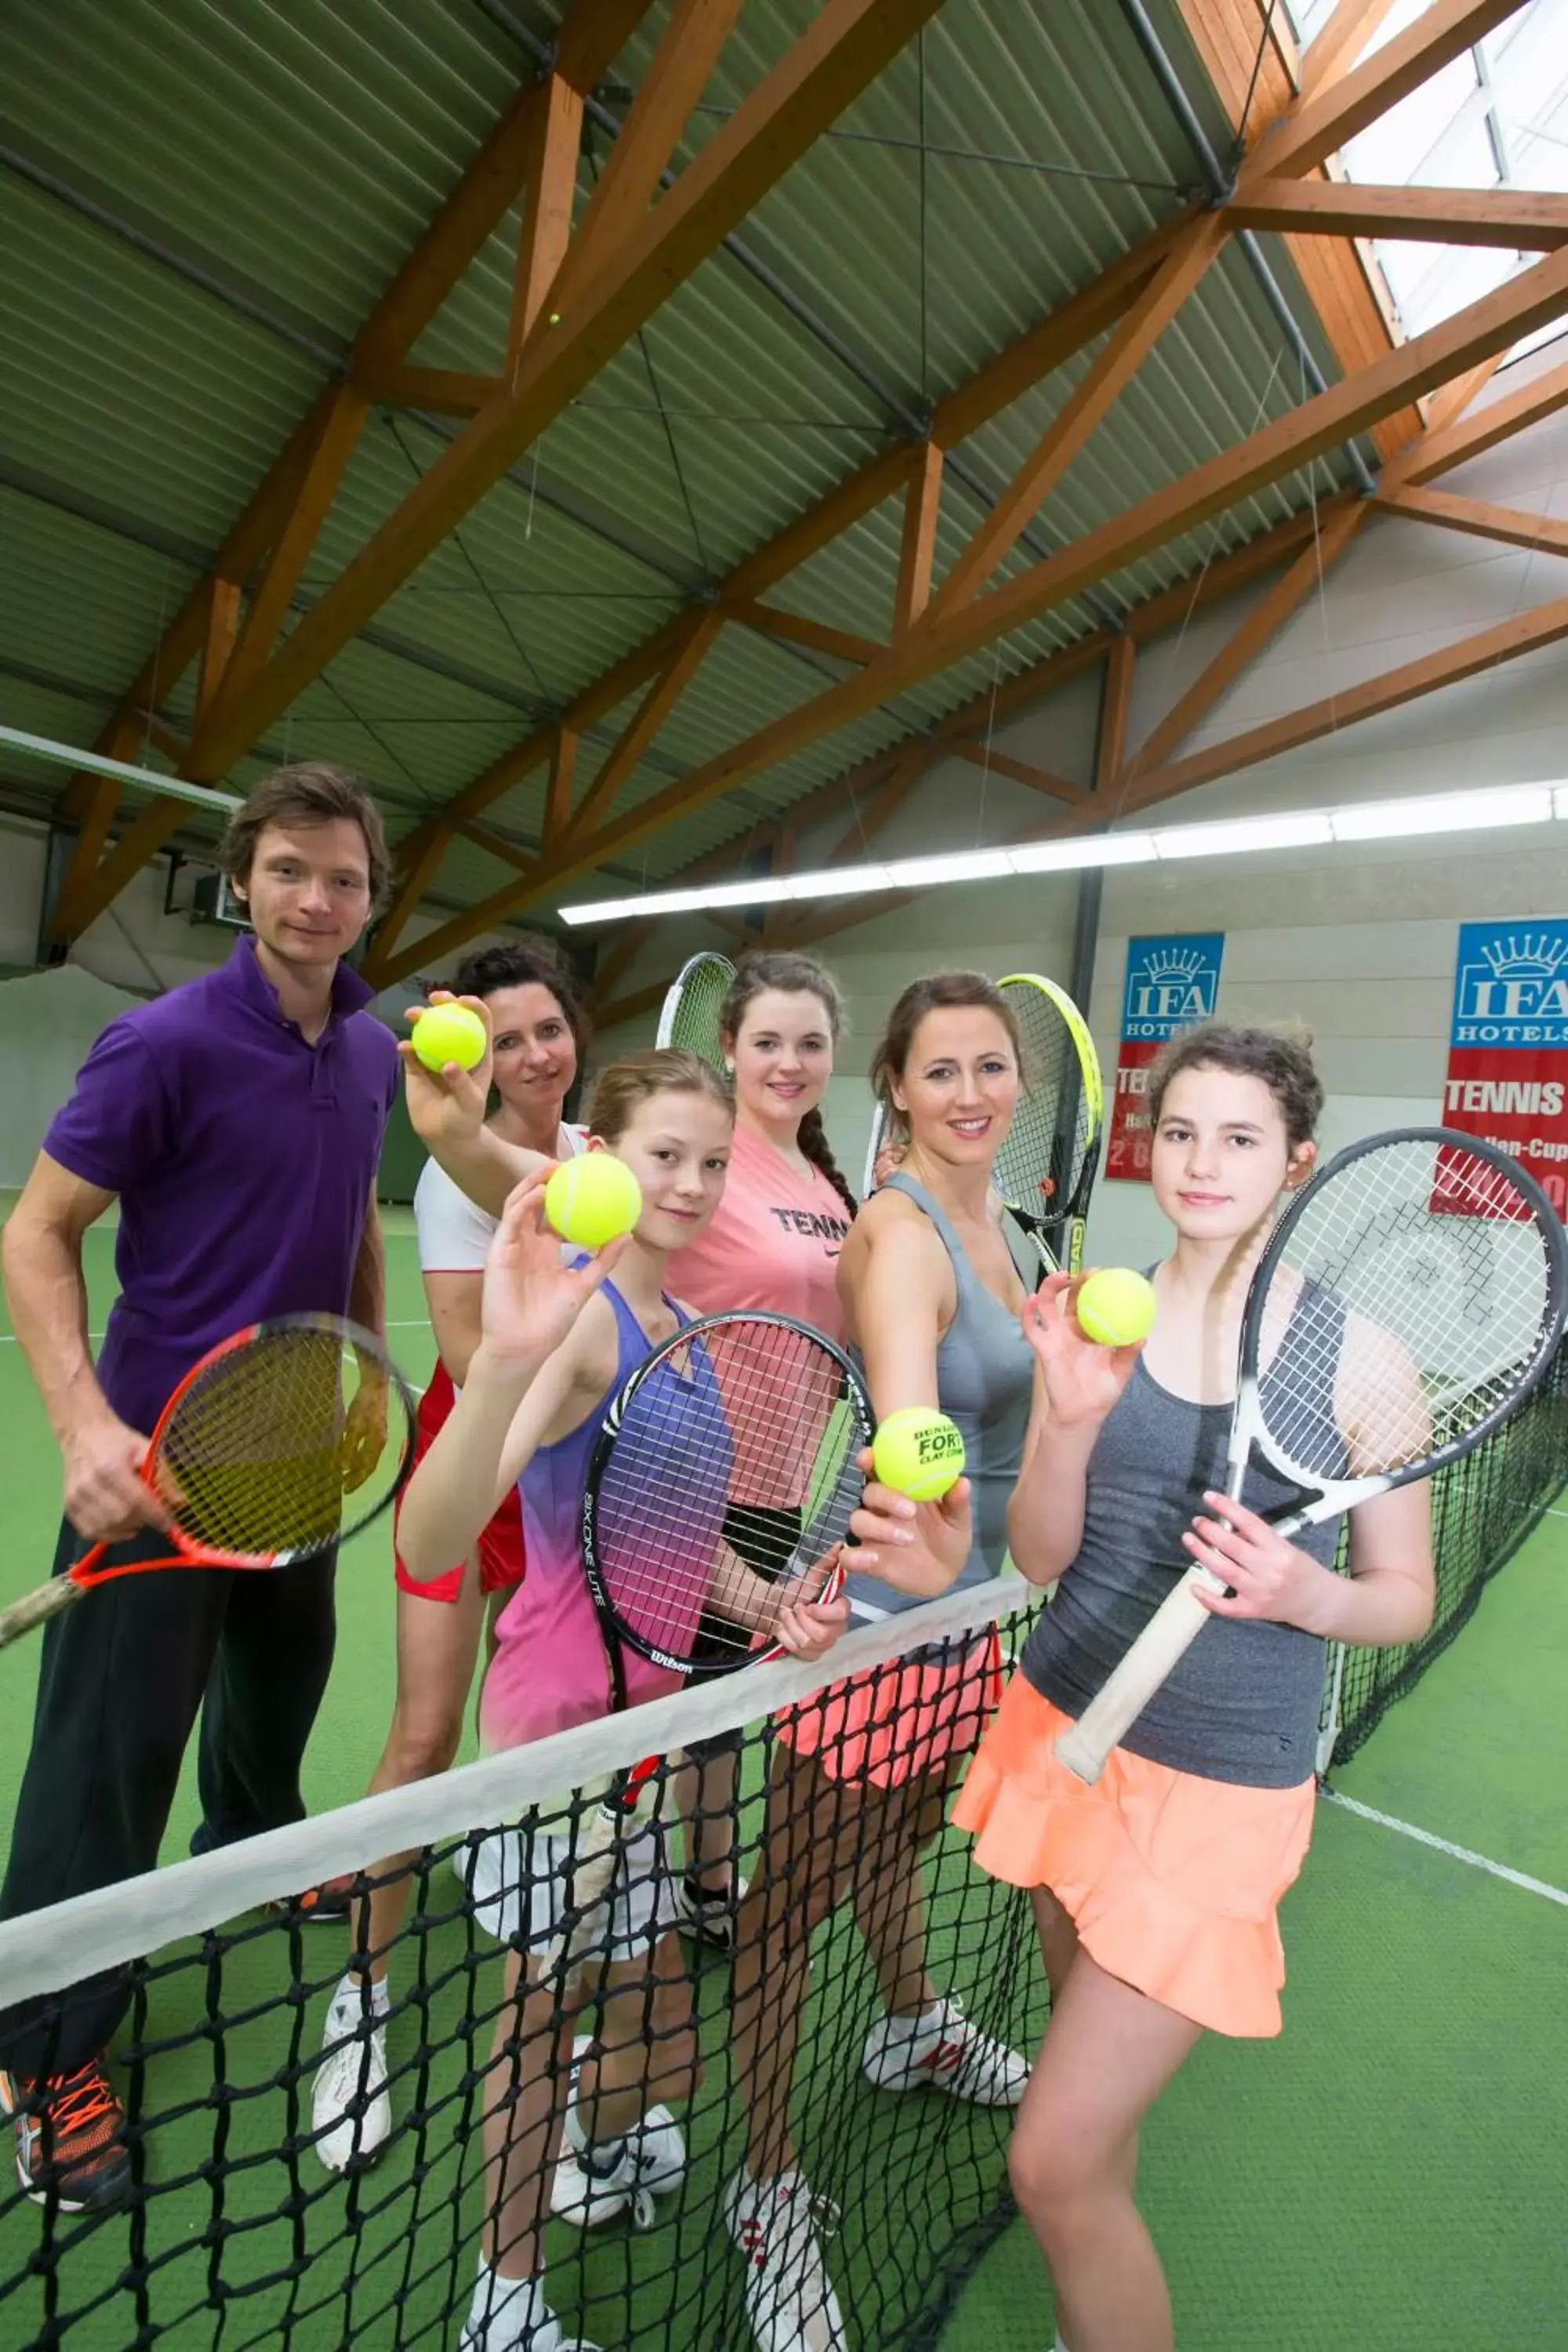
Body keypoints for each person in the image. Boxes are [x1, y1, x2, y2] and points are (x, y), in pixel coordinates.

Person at [953, 1024, 1436, 2352]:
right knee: (1087, 2141)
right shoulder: (1104, 1308)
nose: (1203, 1162)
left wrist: (1305, 1592)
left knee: (1048, 2161)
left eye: (1239, 1138)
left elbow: (1404, 1595)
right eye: (1179, 1132)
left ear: (1299, 1162)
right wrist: (1066, 1415)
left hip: (1222, 1790)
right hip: (1067, 1734)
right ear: (1145, 1146)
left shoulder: (1363, 1359)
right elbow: (1039, 1556)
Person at [389, 1047, 866, 2352]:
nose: (695, 1184)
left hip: (645, 1743)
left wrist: (769, 1607)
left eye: (714, 1162)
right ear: (601, 1151)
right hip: (559, 1742)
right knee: (543, 2031)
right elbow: (439, 1541)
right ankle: (503, 2296)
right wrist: (494, 1373)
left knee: (654, 2031)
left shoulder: (679, 1330)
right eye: (666, 1154)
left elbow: (668, 1529)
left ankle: (577, 2164)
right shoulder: (589, 1319)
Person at [0, 761, 400, 2216]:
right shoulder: (158, 1043)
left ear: (371, 896)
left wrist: (366, 1359)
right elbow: (39, 1236)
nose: (317, 899)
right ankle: (44, 2054)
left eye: (343, 877)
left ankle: (247, 1845)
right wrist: (81, 1429)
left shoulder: (371, 1053)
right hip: (160, 1468)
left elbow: (354, 1207)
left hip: (297, 1447)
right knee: (105, 1760)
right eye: (291, 870)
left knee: (282, 1686)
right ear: (243, 881)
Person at [724, 971, 1038, 2352]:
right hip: (877, 1618)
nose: (971, 1093)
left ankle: (907, 2021)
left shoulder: (1002, 1224)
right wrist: (920, 1547)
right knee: (788, 1908)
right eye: (942, 1071)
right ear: (896, 1093)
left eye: (991, 1067)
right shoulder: (905, 1235)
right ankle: (764, 2181)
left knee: (896, 1845)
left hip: (967, 1618)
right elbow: (913, 1437)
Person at [312, 942, 590, 2172]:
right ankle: (363, 1996)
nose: (534, 1054)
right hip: (469, 1458)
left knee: (547, 1739)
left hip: (578, 1472)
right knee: (424, 1739)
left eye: (550, 1030)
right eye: (509, 1036)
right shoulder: (450, 1175)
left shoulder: (597, 1160)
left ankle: (560, 1997)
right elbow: (483, 1359)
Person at [663, 950, 859, 1952]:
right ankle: (686, 1886)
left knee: (721, 1697)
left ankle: (695, 1878)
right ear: (729, 1048)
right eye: (768, 1041)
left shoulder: (826, 1186)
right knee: (670, 1699)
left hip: (784, 1486)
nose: (789, 1061)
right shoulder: (701, 1157)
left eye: (810, 1043)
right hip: (688, 1477)